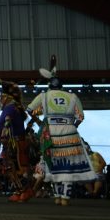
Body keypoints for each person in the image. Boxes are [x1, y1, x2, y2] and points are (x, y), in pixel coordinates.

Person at [28, 56, 95, 207]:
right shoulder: (72, 96)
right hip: (69, 133)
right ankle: (64, 197)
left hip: (49, 132)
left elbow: (30, 110)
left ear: (50, 85)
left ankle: (58, 197)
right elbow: (81, 116)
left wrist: (41, 123)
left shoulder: (44, 96)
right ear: (61, 86)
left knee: (54, 165)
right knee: (67, 165)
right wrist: (74, 126)